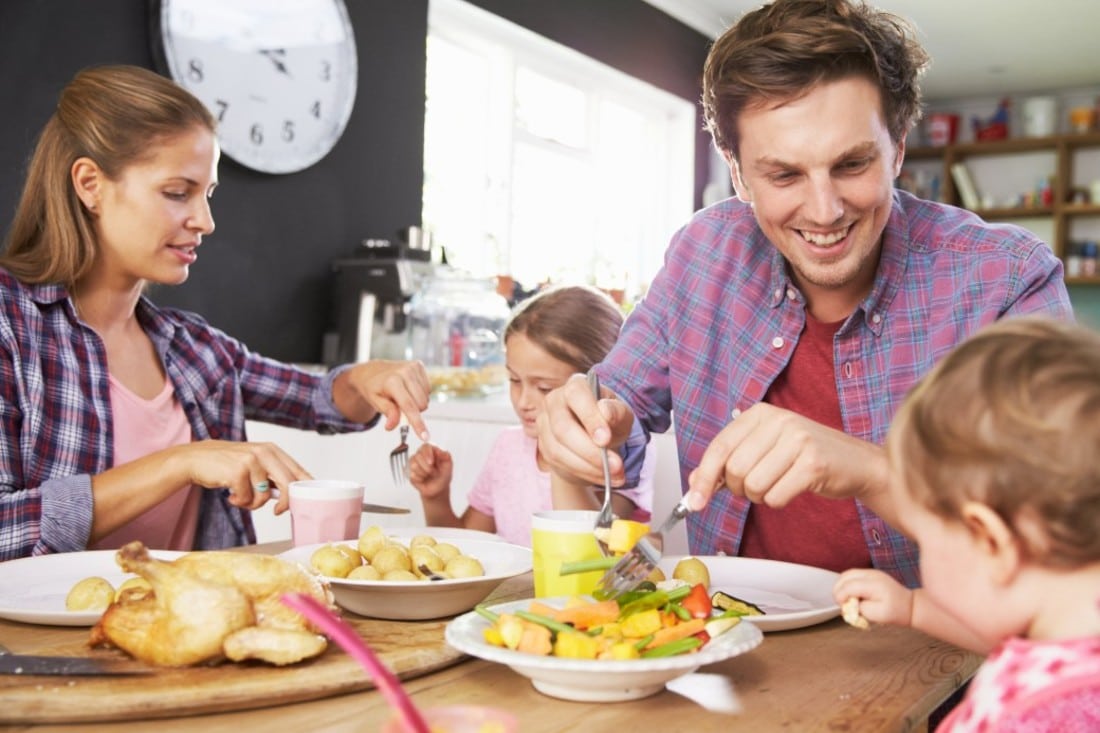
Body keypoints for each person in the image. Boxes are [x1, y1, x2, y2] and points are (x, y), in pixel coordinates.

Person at [535, 0, 1073, 587]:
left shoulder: (1007, 278)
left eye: (851, 164)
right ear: (737, 171)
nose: (824, 211)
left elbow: (1060, 520)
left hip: (947, 660)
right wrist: (585, 425)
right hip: (731, 643)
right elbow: (619, 406)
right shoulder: (702, 253)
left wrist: (871, 472)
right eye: (784, 175)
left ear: (896, 148)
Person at [0, 65, 431, 561]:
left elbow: (316, 399)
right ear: (91, 184)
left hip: (193, 633)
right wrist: (182, 463)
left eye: (208, 195)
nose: (204, 221)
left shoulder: (193, 348)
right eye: (177, 193)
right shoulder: (14, 328)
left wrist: (366, 379)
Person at [833, 316, 1100, 731]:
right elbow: (1016, 638)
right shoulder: (1069, 631)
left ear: (991, 541)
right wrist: (914, 608)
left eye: (925, 537)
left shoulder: (1028, 717)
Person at [407, 285, 654, 546]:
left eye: (544, 387)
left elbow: (596, 551)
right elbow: (468, 547)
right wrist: (436, 498)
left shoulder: (622, 451)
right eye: (514, 380)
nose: (523, 401)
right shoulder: (508, 448)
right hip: (516, 589)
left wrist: (561, 464)